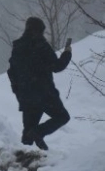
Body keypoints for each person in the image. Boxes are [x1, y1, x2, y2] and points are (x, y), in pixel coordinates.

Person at [7, 17, 71, 151]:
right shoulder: (40, 45)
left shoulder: (18, 48)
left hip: (26, 96)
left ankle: (22, 164)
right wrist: (67, 54)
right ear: (39, 30)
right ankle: (39, 132)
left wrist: (18, 91)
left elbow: (11, 72)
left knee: (28, 134)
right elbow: (57, 66)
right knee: (62, 117)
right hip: (45, 94)